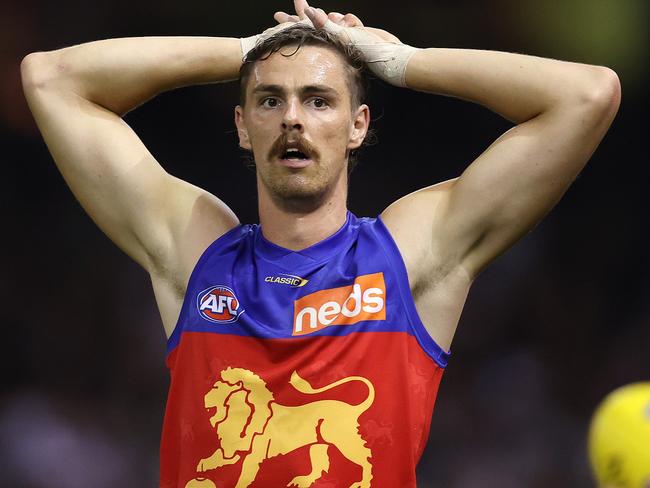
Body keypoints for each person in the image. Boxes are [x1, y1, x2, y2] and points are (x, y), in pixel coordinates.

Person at [21, 1, 620, 486]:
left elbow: (587, 94)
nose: (292, 119)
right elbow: (50, 78)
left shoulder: (406, 258)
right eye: (269, 99)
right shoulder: (195, 250)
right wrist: (241, 50)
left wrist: (402, 61)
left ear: (357, 125)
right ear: (241, 125)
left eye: (318, 99)